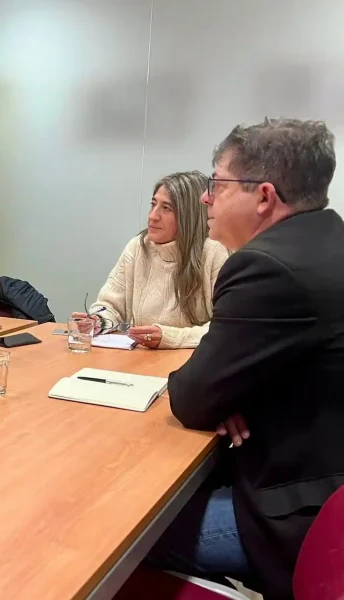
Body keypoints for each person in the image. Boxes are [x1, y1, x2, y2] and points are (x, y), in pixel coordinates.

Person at [149, 118, 344, 599]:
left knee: (117, 527)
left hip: (296, 513)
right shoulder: (328, 241)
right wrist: (233, 393)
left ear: (264, 197)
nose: (205, 197)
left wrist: (223, 394)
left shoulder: (267, 267)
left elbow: (192, 397)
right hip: (327, 484)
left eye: (216, 183)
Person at [74, 171, 229, 349]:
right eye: (153, 205)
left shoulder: (214, 252)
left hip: (194, 362)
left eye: (166, 208)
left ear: (189, 216)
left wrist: (169, 337)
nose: (152, 216)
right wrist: (98, 321)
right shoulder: (138, 247)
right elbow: (110, 305)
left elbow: (226, 329)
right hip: (143, 360)